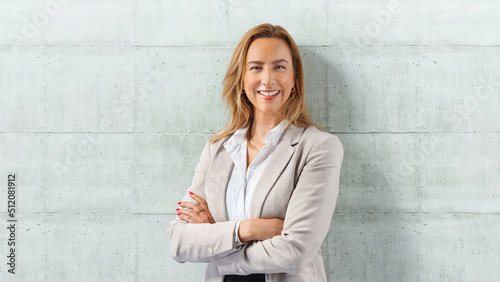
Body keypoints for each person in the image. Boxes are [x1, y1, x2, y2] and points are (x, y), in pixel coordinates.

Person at [168, 23, 344, 282]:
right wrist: (247, 229)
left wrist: (215, 240)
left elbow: (295, 251)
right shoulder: (217, 149)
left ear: (294, 79)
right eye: (256, 67)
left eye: (280, 67)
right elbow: (178, 241)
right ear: (242, 79)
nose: (267, 79)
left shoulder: (318, 148)